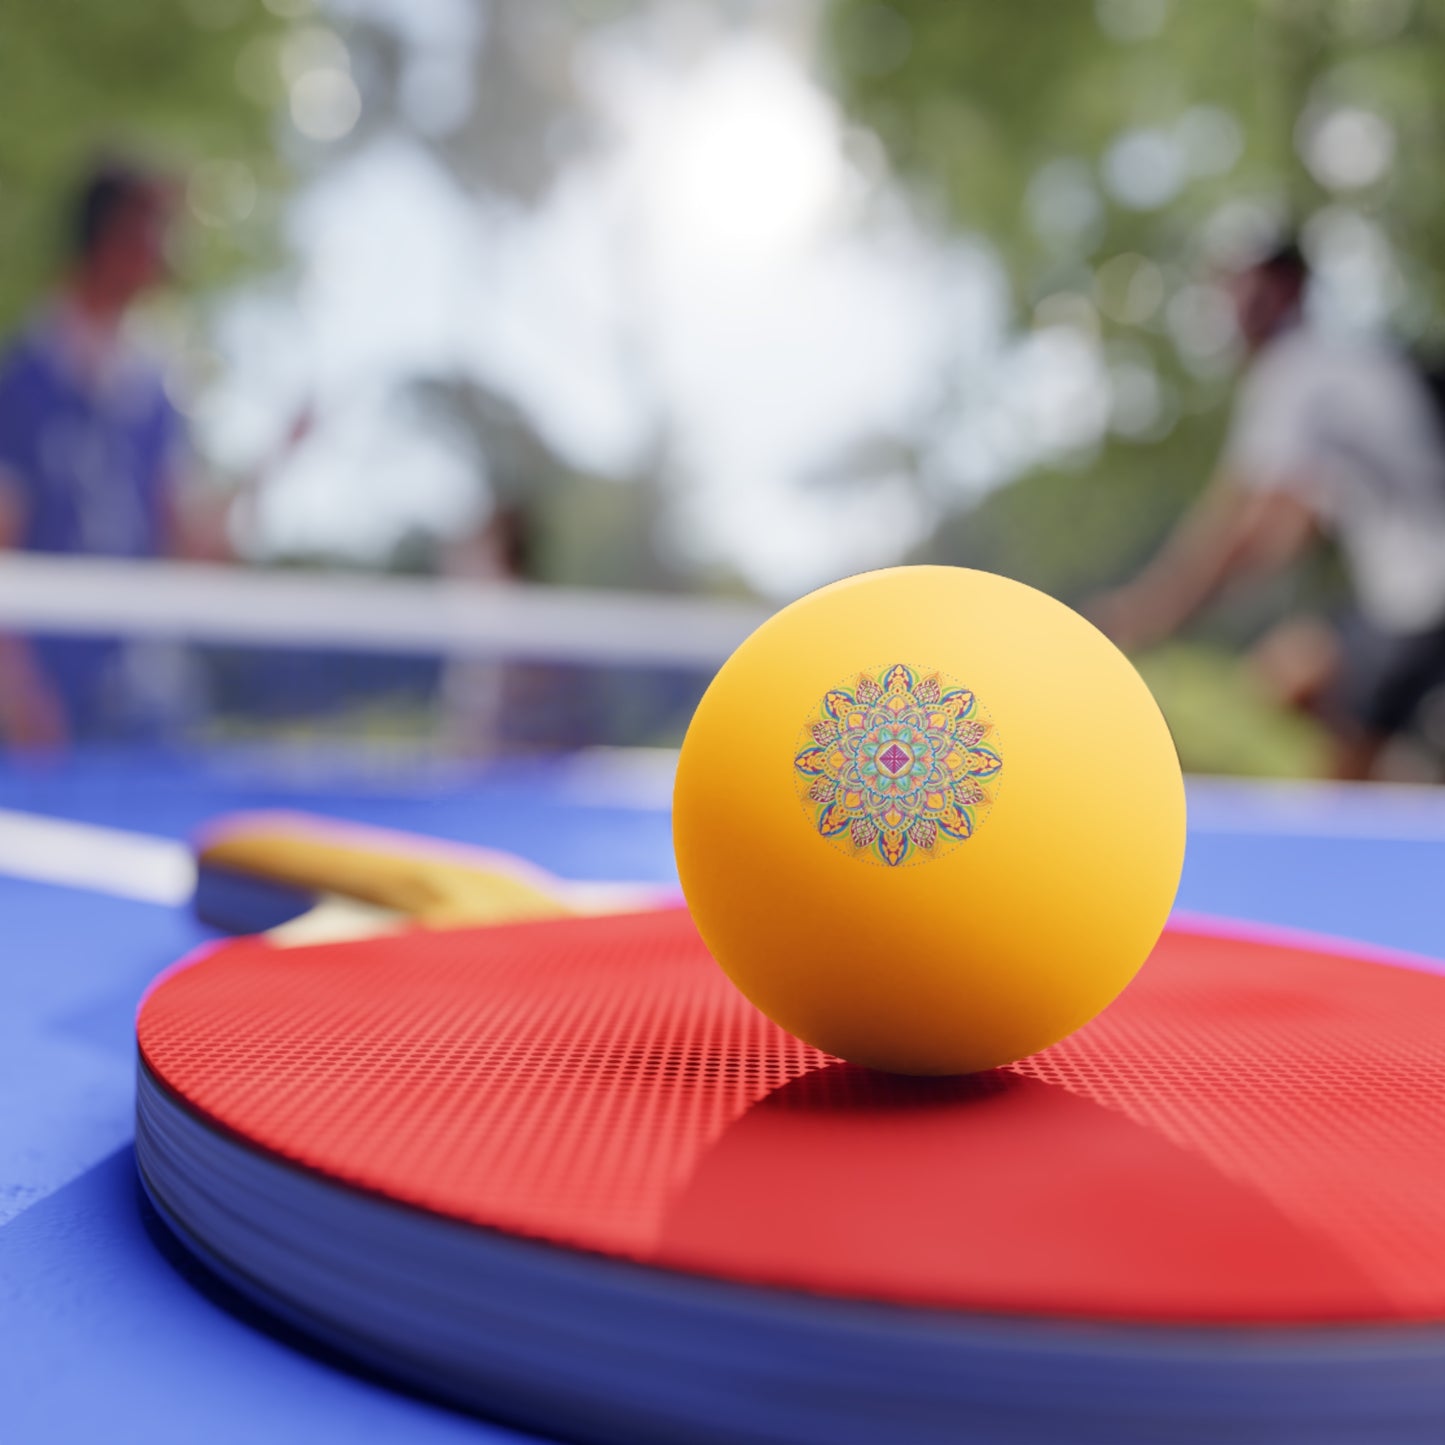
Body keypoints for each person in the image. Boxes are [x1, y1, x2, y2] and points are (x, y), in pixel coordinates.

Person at [1093, 242, 1445, 779]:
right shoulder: (1346, 362)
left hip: (1421, 601)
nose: (1230, 303)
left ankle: (1402, 794)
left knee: (1336, 788)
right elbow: (1291, 527)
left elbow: (1244, 527)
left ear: (1288, 290)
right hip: (1403, 600)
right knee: (1289, 679)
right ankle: (1412, 779)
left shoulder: (1297, 370)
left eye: (1245, 284)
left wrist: (1147, 613)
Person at [0, 162, 222, 747]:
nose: (167, 250)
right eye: (154, 227)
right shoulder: (22, 381)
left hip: (139, 698)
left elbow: (184, 544)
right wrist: (14, 685)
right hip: (40, 705)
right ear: (110, 235)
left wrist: (274, 470)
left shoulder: (158, 392)